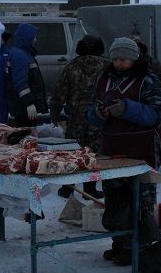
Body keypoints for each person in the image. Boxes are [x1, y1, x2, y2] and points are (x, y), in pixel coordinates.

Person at [87, 37, 161, 266]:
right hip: (112, 149)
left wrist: (128, 109)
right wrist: (97, 114)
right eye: (115, 59)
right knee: (115, 199)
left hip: (141, 150)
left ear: (133, 58)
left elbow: (157, 115)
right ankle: (120, 242)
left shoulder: (148, 81)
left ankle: (139, 247)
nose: (118, 63)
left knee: (140, 200)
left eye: (123, 59)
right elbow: (90, 109)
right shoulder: (105, 80)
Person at [49, 35, 108, 199]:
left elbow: (59, 92)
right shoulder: (107, 67)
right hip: (98, 118)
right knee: (93, 155)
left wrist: (55, 113)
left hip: (75, 119)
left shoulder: (71, 67)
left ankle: (68, 187)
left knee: (72, 153)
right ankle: (90, 188)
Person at [132, 36, 161, 183]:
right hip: (134, 109)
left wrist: (154, 89)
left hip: (151, 108)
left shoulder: (151, 63)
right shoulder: (124, 64)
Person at [4, 23, 48, 127]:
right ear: (27, 37)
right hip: (23, 108)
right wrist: (29, 103)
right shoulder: (20, 56)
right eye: (34, 37)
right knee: (26, 136)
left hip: (22, 107)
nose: (35, 40)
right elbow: (20, 83)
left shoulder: (24, 54)